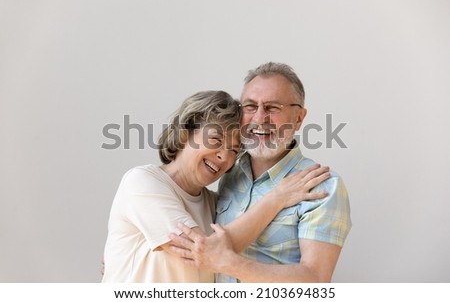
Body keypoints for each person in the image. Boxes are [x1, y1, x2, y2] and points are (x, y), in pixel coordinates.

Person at [101, 90, 330, 282]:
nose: (224, 156)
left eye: (233, 149)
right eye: (216, 140)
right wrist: (278, 197)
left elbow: (218, 258)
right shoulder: (142, 182)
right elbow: (206, 251)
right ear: (186, 133)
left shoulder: (215, 205)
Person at [169, 62, 352, 282]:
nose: (259, 119)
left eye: (273, 107)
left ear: (299, 118)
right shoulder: (229, 175)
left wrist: (229, 263)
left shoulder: (322, 185)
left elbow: (316, 279)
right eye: (250, 106)